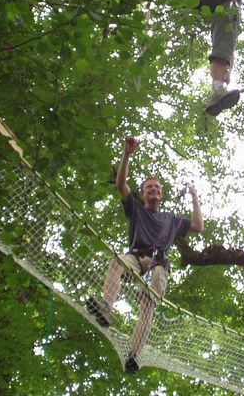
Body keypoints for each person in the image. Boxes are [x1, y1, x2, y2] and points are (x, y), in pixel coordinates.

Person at [86, 136, 204, 373]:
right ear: (142, 193)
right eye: (149, 187)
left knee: (147, 304)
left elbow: (198, 226)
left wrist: (194, 197)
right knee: (116, 264)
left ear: (161, 194)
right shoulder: (135, 209)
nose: (154, 190)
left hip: (157, 263)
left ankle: (134, 354)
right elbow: (121, 185)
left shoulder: (170, 220)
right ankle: (106, 306)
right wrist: (127, 155)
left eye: (157, 188)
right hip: (135, 256)